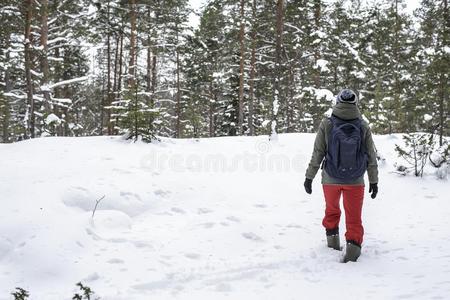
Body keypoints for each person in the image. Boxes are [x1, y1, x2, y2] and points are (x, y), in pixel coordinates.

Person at [304, 89, 378, 262]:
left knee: (331, 210)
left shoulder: (327, 123)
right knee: (354, 217)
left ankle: (333, 244)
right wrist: (374, 180)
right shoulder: (363, 125)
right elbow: (371, 156)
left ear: (337, 102)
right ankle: (352, 252)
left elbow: (318, 152)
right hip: (356, 180)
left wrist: (309, 176)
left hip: (330, 179)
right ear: (355, 103)